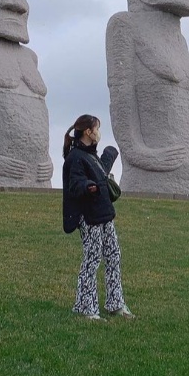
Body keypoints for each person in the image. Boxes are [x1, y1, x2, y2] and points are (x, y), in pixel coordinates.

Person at [62, 114, 134, 320]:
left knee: (113, 257)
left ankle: (115, 303)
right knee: (91, 261)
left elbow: (99, 173)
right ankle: (86, 307)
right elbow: (75, 183)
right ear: (88, 132)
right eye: (97, 128)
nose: (99, 133)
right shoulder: (75, 158)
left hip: (105, 215)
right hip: (89, 217)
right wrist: (87, 186)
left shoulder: (90, 156)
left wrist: (109, 155)